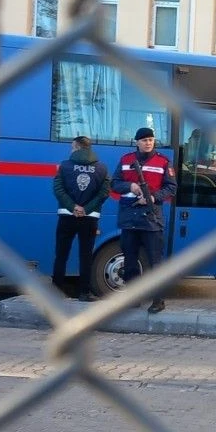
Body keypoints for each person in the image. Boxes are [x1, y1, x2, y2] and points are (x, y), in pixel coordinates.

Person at [111, 126, 177, 313]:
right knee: (130, 261)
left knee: (155, 262)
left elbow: (171, 188)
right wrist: (129, 186)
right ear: (137, 142)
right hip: (129, 218)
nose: (148, 143)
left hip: (151, 218)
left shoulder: (163, 161)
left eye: (151, 140)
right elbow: (114, 184)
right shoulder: (126, 160)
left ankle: (158, 300)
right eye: (144, 140)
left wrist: (153, 197)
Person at [52, 135, 110, 301]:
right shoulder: (102, 168)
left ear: (77, 147)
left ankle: (56, 293)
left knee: (61, 255)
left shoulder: (64, 166)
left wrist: (73, 207)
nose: (71, 149)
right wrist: (86, 209)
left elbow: (58, 190)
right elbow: (104, 193)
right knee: (86, 256)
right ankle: (84, 293)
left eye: (72, 147)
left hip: (66, 216)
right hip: (90, 218)